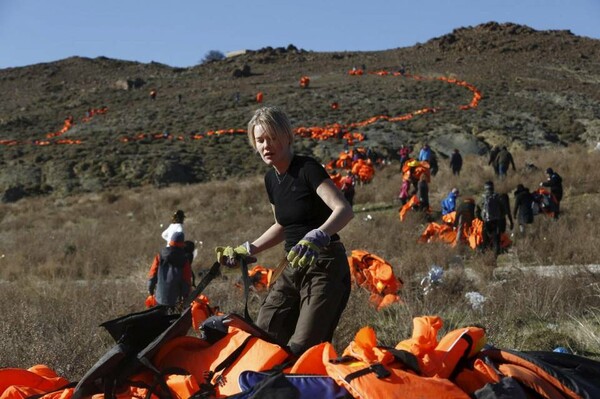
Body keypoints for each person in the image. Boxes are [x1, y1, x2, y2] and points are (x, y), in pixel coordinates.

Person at [216, 106, 353, 356]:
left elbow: (343, 209)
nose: (266, 145)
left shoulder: (307, 169)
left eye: (272, 138)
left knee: (302, 348)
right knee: (263, 336)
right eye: (260, 140)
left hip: (325, 265)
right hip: (293, 264)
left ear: (287, 137)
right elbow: (282, 224)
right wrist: (248, 249)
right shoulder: (271, 179)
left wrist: (317, 236)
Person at [147, 232, 192, 309]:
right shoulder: (184, 260)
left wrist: (150, 290)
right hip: (175, 301)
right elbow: (186, 281)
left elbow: (152, 275)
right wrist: (185, 298)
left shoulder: (160, 255)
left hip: (159, 298)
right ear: (182, 243)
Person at [476, 181, 502, 255]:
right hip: (496, 221)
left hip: (485, 222)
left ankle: (485, 256)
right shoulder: (497, 197)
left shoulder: (482, 198)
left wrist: (480, 219)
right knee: (496, 240)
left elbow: (476, 210)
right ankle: (495, 256)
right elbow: (503, 209)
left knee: (485, 240)